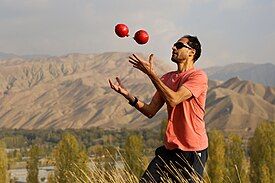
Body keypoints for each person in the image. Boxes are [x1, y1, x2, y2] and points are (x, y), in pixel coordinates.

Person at [109, 35, 208, 183]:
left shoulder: (198, 76)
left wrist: (151, 74)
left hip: (192, 150)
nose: (173, 47)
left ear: (191, 52)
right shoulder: (167, 78)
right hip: (170, 150)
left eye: (179, 45)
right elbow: (150, 111)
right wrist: (128, 95)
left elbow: (174, 99)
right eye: (174, 45)